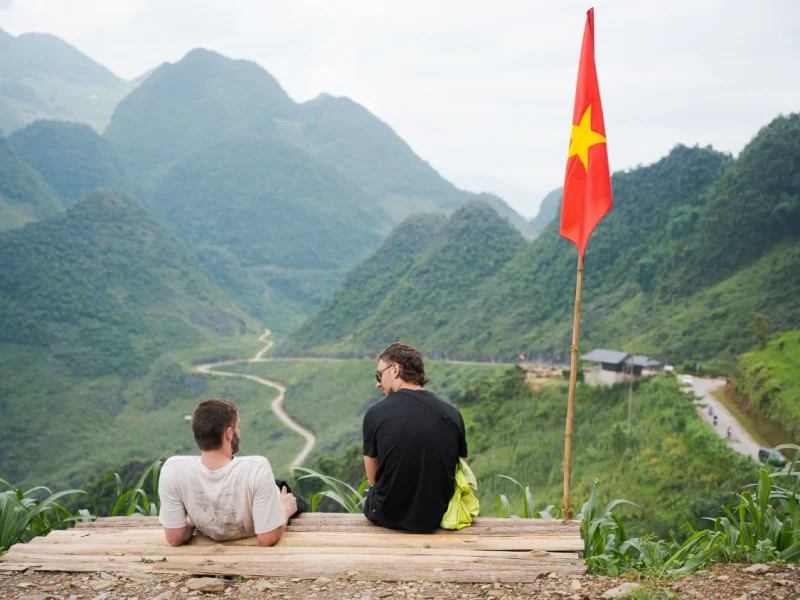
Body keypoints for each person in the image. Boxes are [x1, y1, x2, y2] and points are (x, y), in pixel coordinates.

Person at [158, 398, 301, 547]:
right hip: (261, 496)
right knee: (288, 494)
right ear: (229, 433)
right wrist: (285, 509)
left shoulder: (172, 471)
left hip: (220, 493)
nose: (239, 432)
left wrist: (196, 518)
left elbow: (174, 538)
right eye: (237, 427)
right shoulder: (257, 468)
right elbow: (266, 538)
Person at [362, 342, 468, 533]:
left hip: (389, 516)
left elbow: (373, 479)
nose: (378, 383)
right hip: (438, 515)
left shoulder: (375, 414)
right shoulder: (452, 414)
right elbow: (461, 469)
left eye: (379, 375)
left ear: (394, 369)